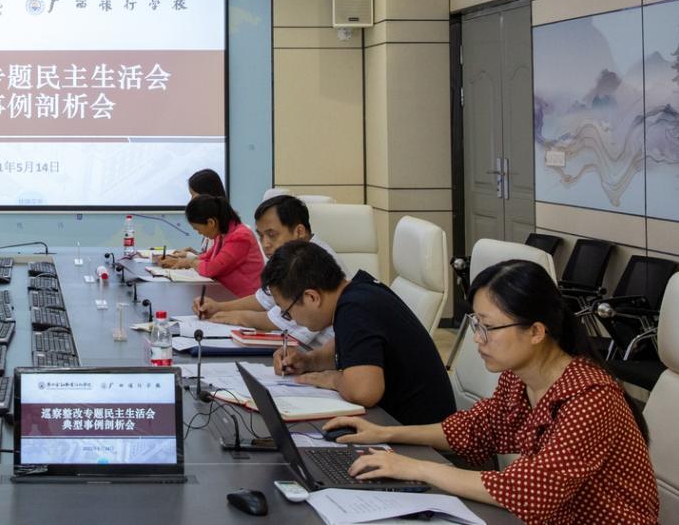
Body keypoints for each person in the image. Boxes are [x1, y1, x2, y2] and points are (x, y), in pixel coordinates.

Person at [327, 259, 658, 524]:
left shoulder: (591, 398)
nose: (477, 338)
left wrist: (414, 468)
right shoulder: (518, 378)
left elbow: (530, 490)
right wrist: (386, 433)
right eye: (476, 324)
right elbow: (473, 430)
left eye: (489, 327)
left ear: (536, 332)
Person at [261, 240, 454, 425]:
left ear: (312, 297)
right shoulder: (359, 291)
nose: (292, 320)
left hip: (420, 437)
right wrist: (308, 361)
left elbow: (364, 392)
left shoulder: (354, 310)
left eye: (287, 312)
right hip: (407, 424)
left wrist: (332, 378)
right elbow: (349, 349)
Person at [193, 195, 338, 346]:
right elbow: (264, 299)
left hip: (320, 351)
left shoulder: (313, 262)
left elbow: (282, 320)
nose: (265, 244)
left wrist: (238, 317)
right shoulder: (291, 257)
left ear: (299, 232)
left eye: (272, 235)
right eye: (261, 236)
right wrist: (219, 307)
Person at [158, 195, 264, 298]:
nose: (199, 233)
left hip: (243, 299)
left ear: (211, 223)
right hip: (225, 292)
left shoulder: (240, 237)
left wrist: (189, 262)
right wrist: (180, 261)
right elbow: (206, 257)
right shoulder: (223, 233)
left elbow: (211, 269)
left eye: (197, 228)